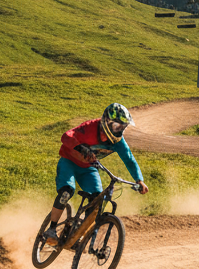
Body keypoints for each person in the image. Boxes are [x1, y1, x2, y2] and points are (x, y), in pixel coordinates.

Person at [45, 103, 148, 244]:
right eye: (117, 126)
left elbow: (129, 160)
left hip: (88, 168)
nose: (120, 131)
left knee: (97, 200)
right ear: (107, 122)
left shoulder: (118, 142)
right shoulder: (90, 128)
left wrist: (139, 180)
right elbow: (66, 136)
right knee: (66, 192)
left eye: (123, 128)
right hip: (69, 162)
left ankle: (79, 234)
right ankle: (51, 229)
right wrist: (79, 148)